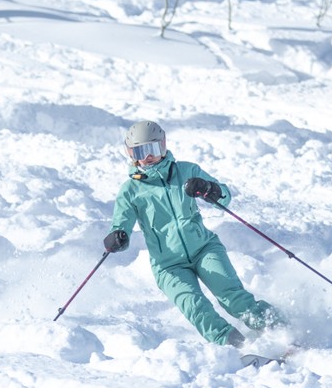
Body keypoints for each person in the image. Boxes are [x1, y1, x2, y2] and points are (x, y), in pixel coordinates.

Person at [102, 119, 284, 352]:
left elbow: (225, 196)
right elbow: (121, 223)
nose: (147, 157)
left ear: (163, 145)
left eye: (153, 149)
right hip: (168, 266)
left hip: (204, 249)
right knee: (196, 308)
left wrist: (208, 189)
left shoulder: (186, 171)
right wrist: (118, 237)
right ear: (130, 153)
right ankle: (237, 346)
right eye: (140, 151)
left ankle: (280, 330)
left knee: (232, 297)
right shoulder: (130, 191)